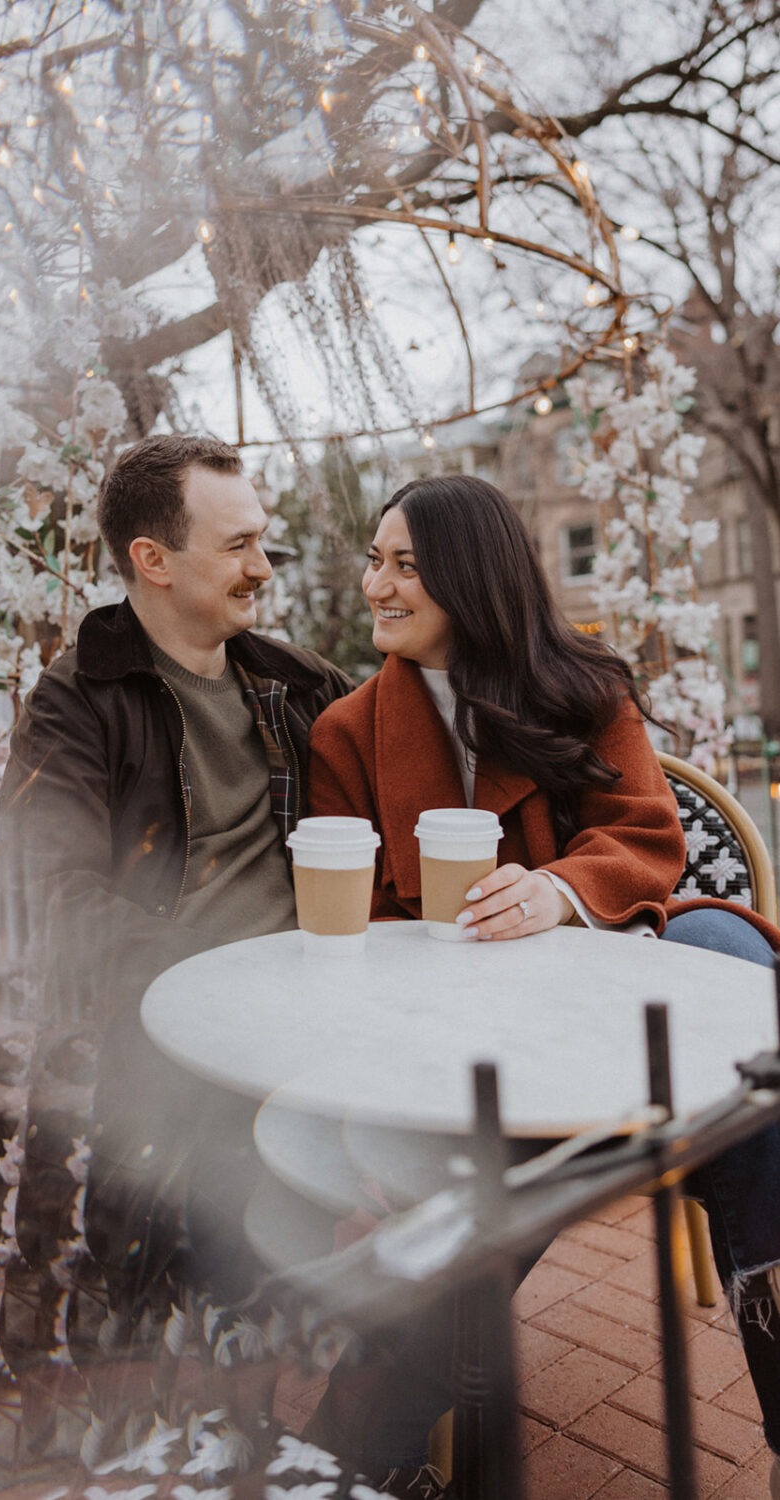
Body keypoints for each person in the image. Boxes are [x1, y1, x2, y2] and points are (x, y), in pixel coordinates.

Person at [306, 474, 780, 1488]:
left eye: (403, 566)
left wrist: (558, 893)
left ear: (471, 581)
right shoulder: (346, 734)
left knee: (738, 990)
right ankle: (371, 1441)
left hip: (607, 1021)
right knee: (526, 1157)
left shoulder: (584, 690)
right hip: (466, 1045)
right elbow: (362, 934)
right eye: (373, 561)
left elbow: (645, 836)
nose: (374, 586)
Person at [0, 434, 354, 1474]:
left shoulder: (297, 686)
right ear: (153, 560)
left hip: (311, 1034)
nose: (262, 567)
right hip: (167, 1043)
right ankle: (188, 1432)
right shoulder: (76, 702)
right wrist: (208, 985)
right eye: (239, 544)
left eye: (263, 544)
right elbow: (49, 896)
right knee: (190, 1263)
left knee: (432, 1199)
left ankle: (331, 1417)